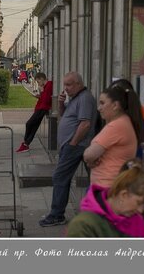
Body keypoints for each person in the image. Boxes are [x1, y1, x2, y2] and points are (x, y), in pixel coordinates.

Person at [39, 72, 97, 227]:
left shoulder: (84, 98)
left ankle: (57, 215)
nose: (66, 88)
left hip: (76, 146)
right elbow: (63, 118)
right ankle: (59, 213)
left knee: (59, 177)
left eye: (69, 85)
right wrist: (60, 104)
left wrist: (73, 143)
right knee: (65, 177)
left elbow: (85, 124)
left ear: (78, 84)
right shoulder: (74, 99)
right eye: (64, 84)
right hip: (71, 145)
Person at [66, 159, 144, 237]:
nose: (140, 210)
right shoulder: (83, 225)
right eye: (138, 203)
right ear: (124, 195)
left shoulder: (143, 221)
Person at [83, 84, 142, 187]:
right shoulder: (122, 122)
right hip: (110, 185)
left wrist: (88, 157)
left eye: (102, 103)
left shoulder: (116, 126)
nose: (99, 108)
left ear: (115, 105)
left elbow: (89, 155)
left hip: (107, 187)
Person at [16, 72, 53, 153]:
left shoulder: (49, 85)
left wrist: (42, 91)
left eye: (38, 81)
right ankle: (26, 144)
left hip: (42, 108)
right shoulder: (46, 86)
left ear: (42, 79)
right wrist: (40, 95)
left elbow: (47, 100)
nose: (38, 83)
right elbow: (45, 98)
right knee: (34, 126)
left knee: (29, 124)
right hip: (41, 107)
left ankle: (25, 143)